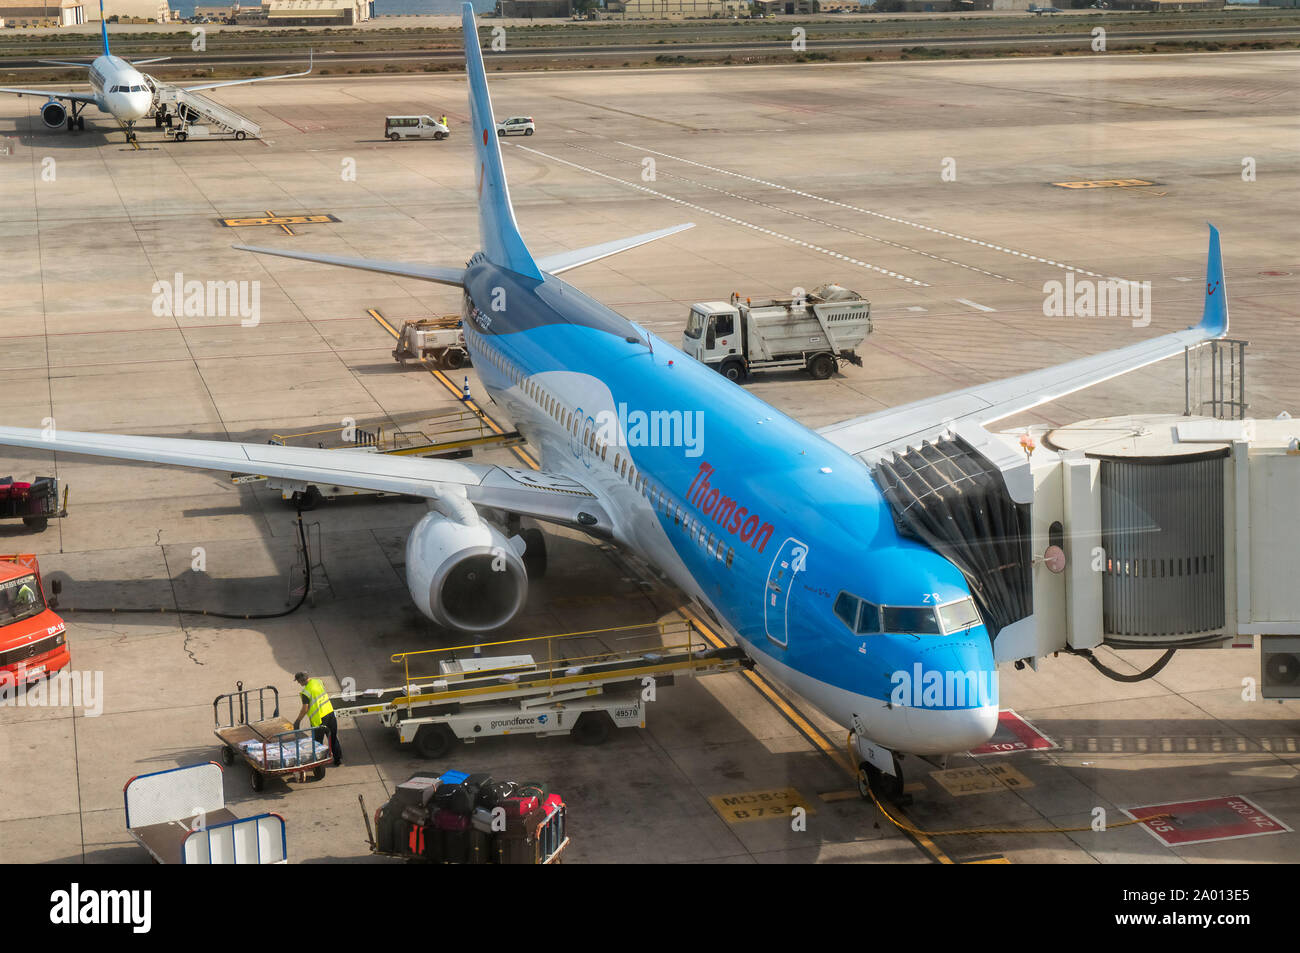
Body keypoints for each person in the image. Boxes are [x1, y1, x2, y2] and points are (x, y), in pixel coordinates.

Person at [292, 672, 342, 766]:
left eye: (298, 681)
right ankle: (338, 760)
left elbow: (305, 708)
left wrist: (298, 720)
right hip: (330, 713)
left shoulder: (305, 692)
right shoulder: (318, 681)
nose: (299, 683)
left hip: (319, 719)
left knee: (318, 743)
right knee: (333, 737)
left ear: (301, 680)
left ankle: (319, 764)